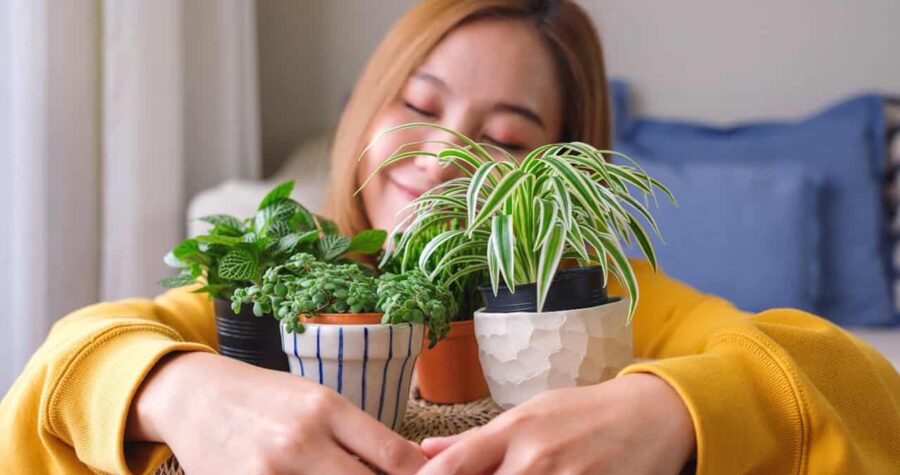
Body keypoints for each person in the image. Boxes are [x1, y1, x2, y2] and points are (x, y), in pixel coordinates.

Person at [2, 0, 898, 473]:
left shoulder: (602, 297)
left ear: (561, 169)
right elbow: (69, 362)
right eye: (420, 105)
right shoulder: (302, 271)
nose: (442, 156)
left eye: (504, 136)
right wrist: (181, 390)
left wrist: (669, 409)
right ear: (368, 106)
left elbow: (855, 386)